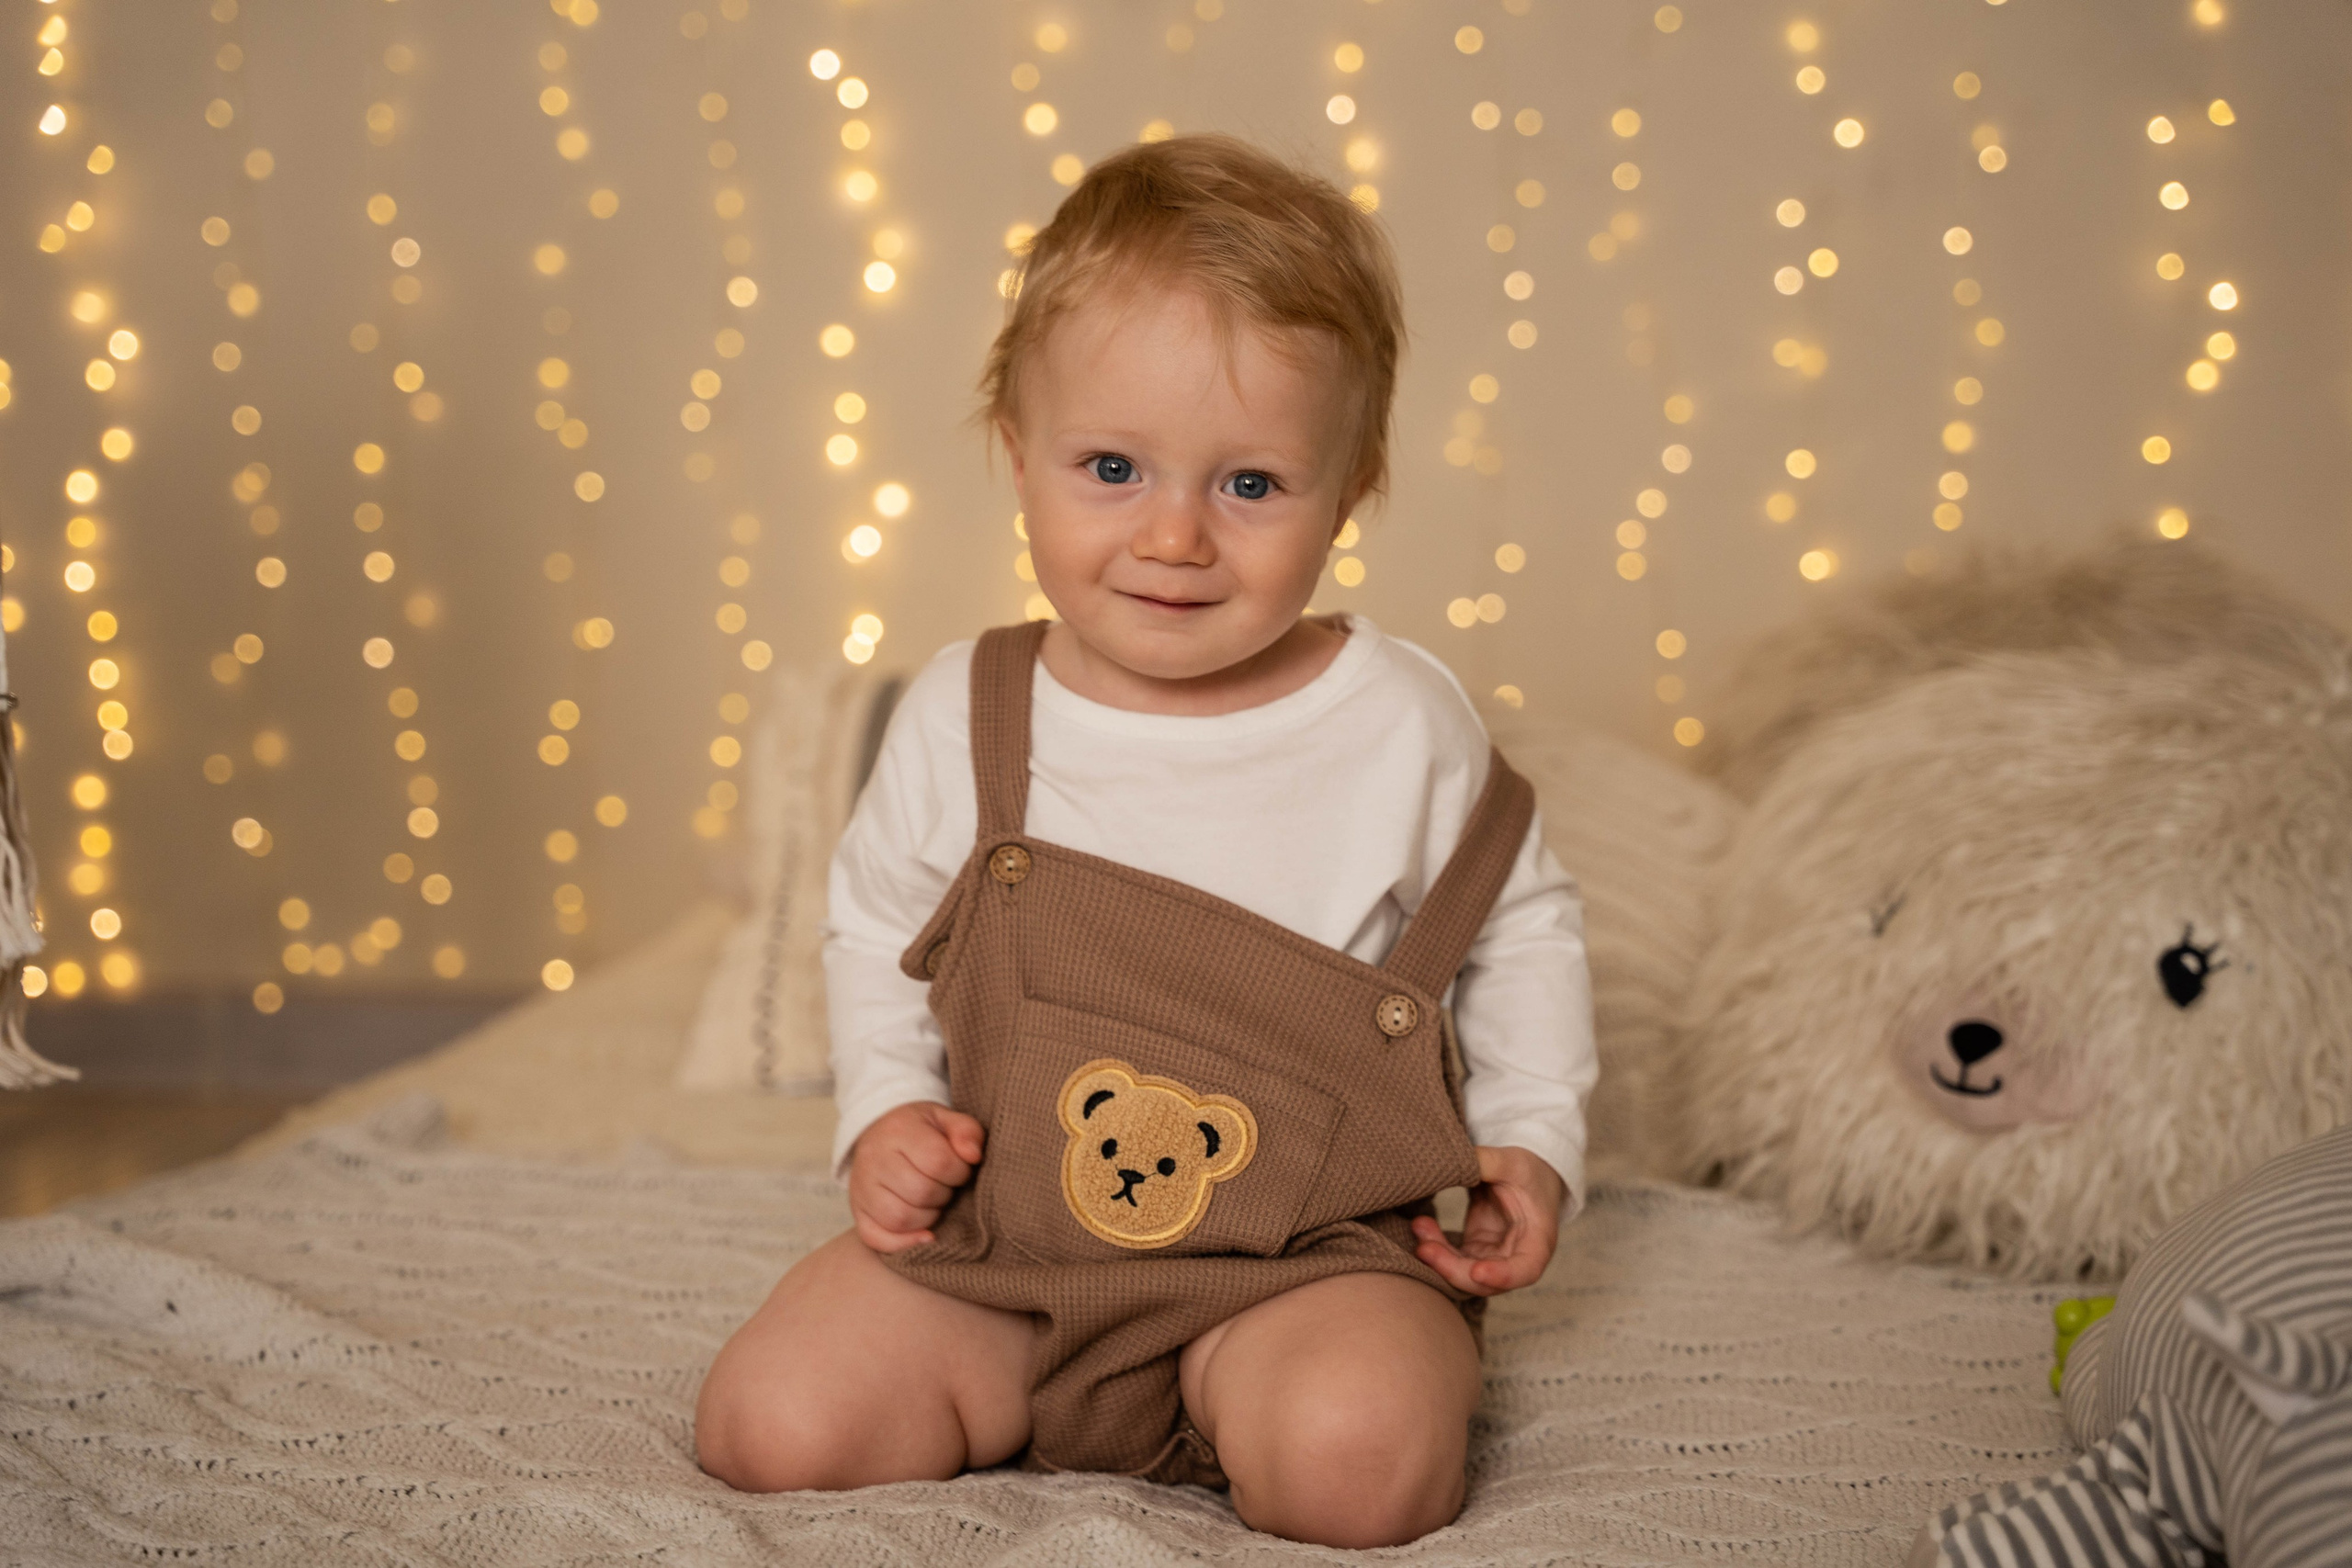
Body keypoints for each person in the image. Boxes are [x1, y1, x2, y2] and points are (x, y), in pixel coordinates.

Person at [695, 133, 1596, 1550]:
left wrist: (1531, 1139)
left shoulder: (1400, 721)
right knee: (771, 1427)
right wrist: (881, 1112)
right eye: (1112, 467)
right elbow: (874, 929)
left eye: (1249, 486)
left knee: (1359, 1471)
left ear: (1351, 485)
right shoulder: (969, 716)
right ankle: (1020, 1394)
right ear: (1018, 454)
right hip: (1009, 1254)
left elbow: (1522, 927)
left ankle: (1267, 1395)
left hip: (1303, 1267)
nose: (1174, 536)